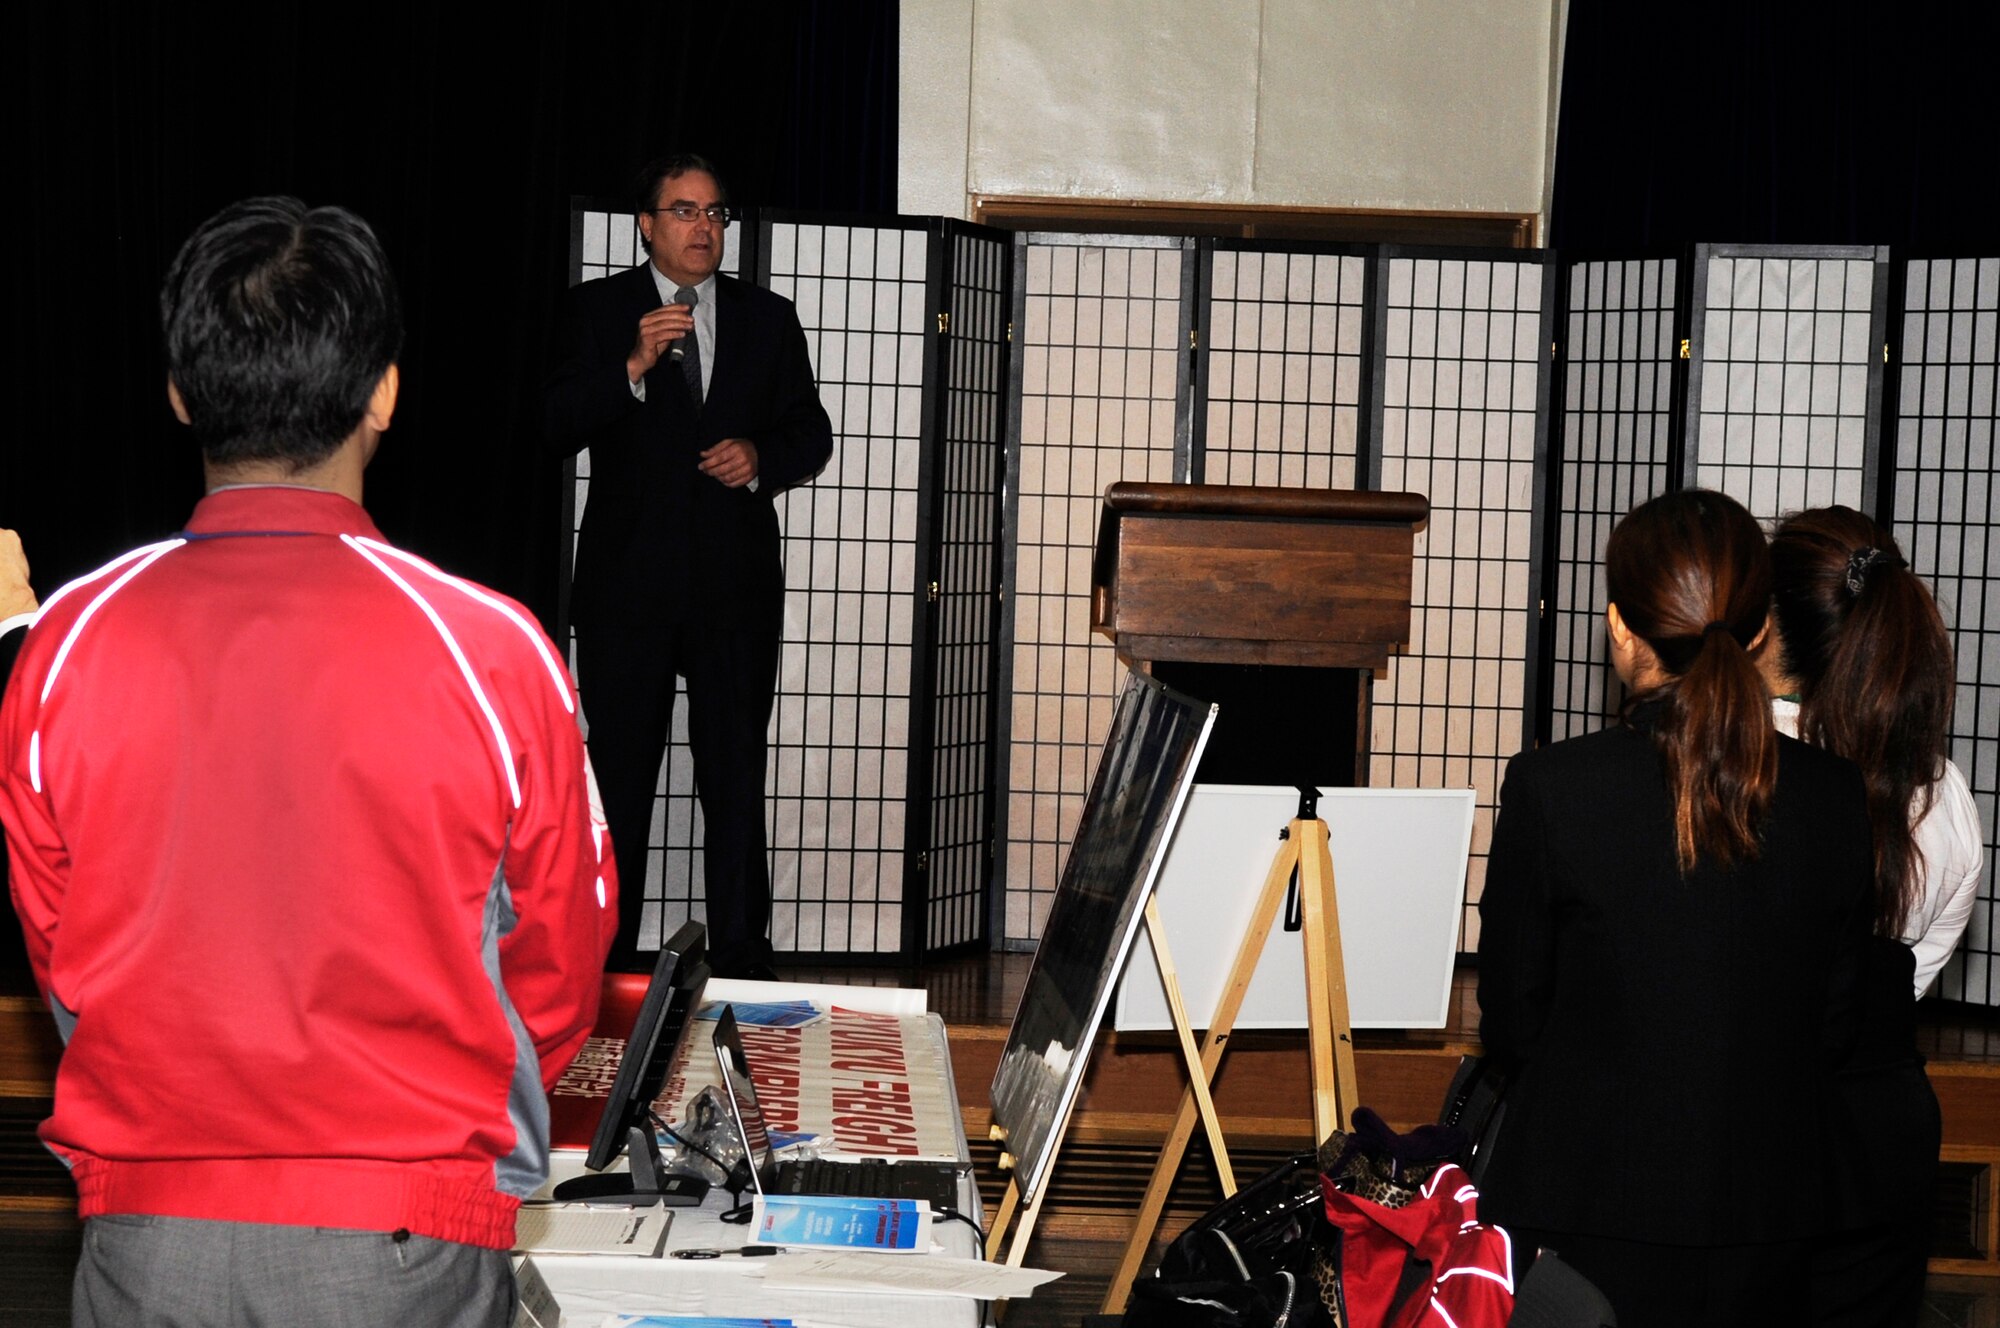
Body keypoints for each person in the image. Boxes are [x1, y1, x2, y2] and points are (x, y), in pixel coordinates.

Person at [0, 197, 616, 1328]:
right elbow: (557, 967)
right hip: (401, 1239)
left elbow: (60, 954)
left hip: (148, 1240)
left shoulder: (68, 640)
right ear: (384, 389)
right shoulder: (491, 649)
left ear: (182, 392)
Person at [1477, 489, 1872, 1328]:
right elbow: (1837, 1021)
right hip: (1773, 1204)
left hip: (1586, 1199)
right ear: (1762, 629)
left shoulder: (1555, 790)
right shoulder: (1837, 798)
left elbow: (1512, 1017)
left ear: (1620, 628)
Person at [543, 153, 832, 978]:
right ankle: (605, 959)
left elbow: (810, 431)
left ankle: (743, 953)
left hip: (735, 591)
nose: (703, 228)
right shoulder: (597, 312)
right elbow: (554, 424)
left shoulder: (768, 319)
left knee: (734, 774)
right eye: (684, 212)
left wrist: (761, 455)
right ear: (646, 223)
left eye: (714, 214)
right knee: (621, 778)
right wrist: (629, 367)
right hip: (626, 592)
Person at [1767, 506, 1982, 1327]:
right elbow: (1914, 975)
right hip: (1886, 1126)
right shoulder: (1947, 795)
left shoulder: (1737, 763)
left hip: (1760, 1121)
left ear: (1768, 629)